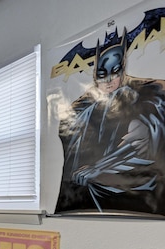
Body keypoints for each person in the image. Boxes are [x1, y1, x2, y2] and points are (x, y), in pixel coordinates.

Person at [56, 30, 165, 216]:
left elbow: (140, 140)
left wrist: (98, 168)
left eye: (114, 73)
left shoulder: (145, 93)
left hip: (136, 193)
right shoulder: (81, 106)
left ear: (123, 70)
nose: (107, 81)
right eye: (101, 74)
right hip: (82, 195)